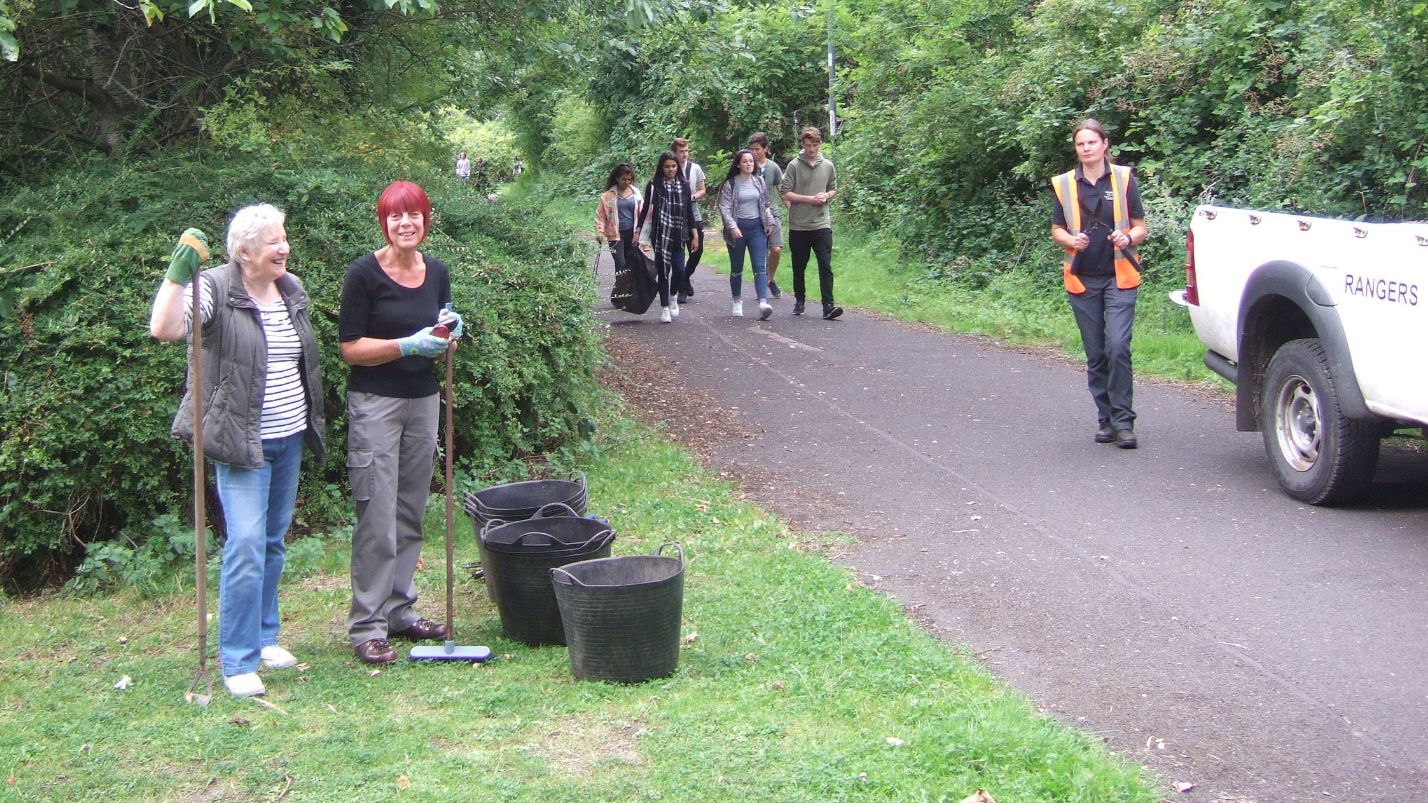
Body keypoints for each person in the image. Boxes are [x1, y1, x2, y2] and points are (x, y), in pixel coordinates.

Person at [149, 205, 326, 698]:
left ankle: (266, 636)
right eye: (274, 242)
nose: (284, 247)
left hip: (288, 435)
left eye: (284, 237)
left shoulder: (290, 290)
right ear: (244, 252)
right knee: (245, 542)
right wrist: (177, 274)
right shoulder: (213, 289)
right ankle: (238, 658)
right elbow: (164, 329)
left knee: (271, 539)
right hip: (240, 439)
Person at [338, 181, 465, 665]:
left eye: (413, 215)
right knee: (377, 513)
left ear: (426, 220)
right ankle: (367, 625)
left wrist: (447, 336)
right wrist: (404, 345)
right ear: (384, 222)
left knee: (410, 507)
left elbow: (440, 334)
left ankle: (400, 611)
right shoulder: (364, 274)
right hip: (375, 403)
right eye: (396, 216)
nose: (405, 223)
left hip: (423, 399)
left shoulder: (437, 273)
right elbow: (350, 347)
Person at [1049, 118, 1147, 450]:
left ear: (1105, 144)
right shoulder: (1064, 184)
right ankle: (1105, 420)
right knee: (1096, 353)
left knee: (1117, 346)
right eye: (1080, 144)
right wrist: (1070, 241)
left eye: (1092, 142)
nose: (1086, 148)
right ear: (1076, 149)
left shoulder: (1123, 179)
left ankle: (1123, 423)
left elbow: (1141, 228)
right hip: (1082, 278)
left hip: (1120, 276)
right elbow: (1056, 230)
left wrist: (1128, 236)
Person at [780, 126, 842, 320]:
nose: (811, 149)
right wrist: (809, 199)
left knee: (825, 264)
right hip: (799, 225)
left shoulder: (828, 166)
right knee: (799, 265)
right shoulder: (793, 166)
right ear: (802, 145)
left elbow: (833, 188)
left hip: (822, 223)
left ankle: (828, 306)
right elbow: (785, 192)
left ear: (820, 144)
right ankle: (800, 300)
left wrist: (827, 195)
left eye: (815, 145)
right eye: (808, 146)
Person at [639, 151, 700, 323]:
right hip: (660, 234)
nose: (671, 169)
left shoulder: (684, 185)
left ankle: (673, 295)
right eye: (667, 166)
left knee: (679, 270)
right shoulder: (654, 185)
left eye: (673, 166)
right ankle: (664, 307)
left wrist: (694, 234)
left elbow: (689, 210)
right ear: (661, 167)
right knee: (664, 271)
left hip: (680, 233)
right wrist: (638, 232)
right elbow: (645, 210)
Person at [717, 148, 777, 320]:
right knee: (737, 268)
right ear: (738, 164)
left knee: (760, 267)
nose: (749, 164)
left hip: (757, 228)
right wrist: (732, 227)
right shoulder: (731, 184)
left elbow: (765, 204)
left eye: (751, 161)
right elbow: (725, 208)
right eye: (745, 161)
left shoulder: (759, 181)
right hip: (737, 229)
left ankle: (763, 303)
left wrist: (770, 222)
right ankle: (737, 301)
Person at [748, 132, 784, 299]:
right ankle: (762, 286)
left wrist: (792, 208)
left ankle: (769, 279)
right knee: (759, 253)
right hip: (754, 214)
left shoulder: (773, 168)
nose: (754, 153)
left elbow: (782, 191)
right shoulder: (747, 166)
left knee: (776, 249)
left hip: (772, 212)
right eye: (752, 149)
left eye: (757, 149)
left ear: (765, 149)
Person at [672, 138, 707, 301]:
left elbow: (702, 190)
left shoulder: (695, 168)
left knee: (697, 251)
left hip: (694, 213)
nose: (684, 154)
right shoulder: (670, 168)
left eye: (686, 151)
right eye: (681, 151)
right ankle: (682, 289)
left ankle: (684, 278)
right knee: (678, 251)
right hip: (676, 216)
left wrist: (692, 197)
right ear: (675, 153)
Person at [595, 163, 644, 277]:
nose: (626, 182)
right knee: (621, 264)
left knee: (631, 265)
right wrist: (600, 232)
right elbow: (600, 216)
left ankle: (629, 292)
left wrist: (640, 233)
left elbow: (642, 214)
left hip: (632, 235)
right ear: (617, 178)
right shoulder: (607, 196)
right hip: (615, 236)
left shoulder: (636, 194)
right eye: (623, 179)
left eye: (629, 180)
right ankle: (621, 292)